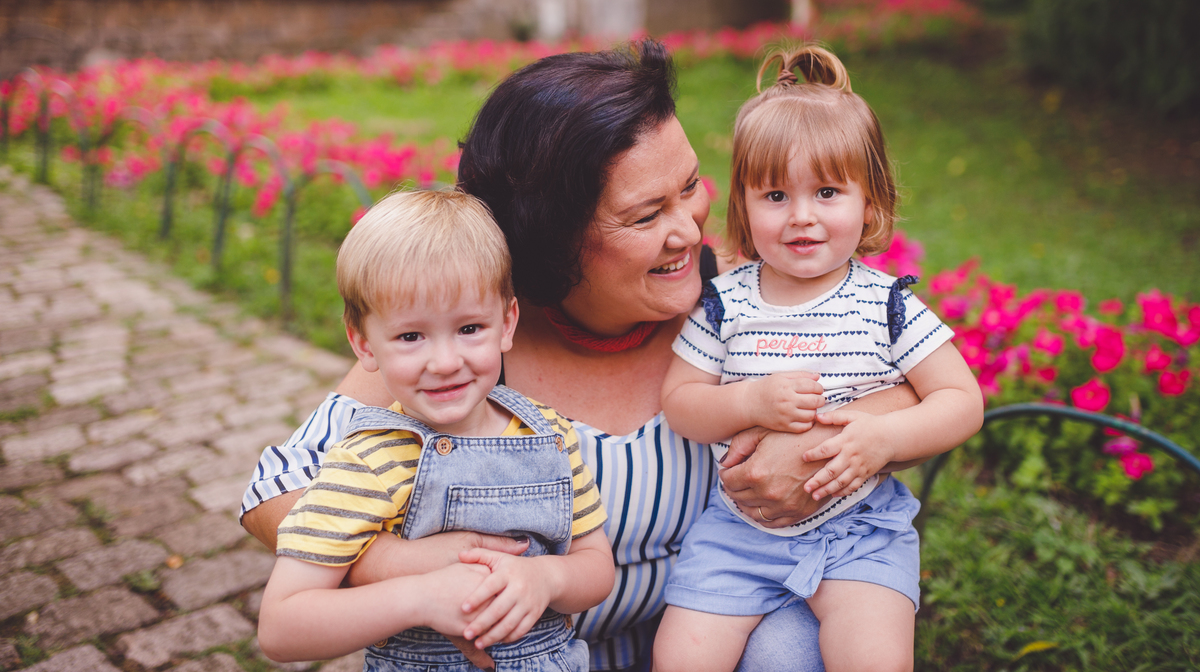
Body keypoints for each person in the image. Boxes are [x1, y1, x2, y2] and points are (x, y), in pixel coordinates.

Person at [242, 39, 922, 672]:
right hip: (527, 656)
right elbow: (275, 489)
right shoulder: (467, 341)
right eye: (645, 215)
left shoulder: (738, 307)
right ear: (553, 238)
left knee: (791, 643)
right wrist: (403, 569)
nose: (689, 229)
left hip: (699, 644)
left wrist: (829, 441)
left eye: (688, 186)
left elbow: (923, 388)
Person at [652, 45, 984, 672]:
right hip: (739, 534)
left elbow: (962, 402)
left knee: (873, 658)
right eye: (775, 195)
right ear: (744, 208)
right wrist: (746, 400)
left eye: (827, 192)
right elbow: (681, 405)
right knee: (681, 657)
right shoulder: (726, 304)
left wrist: (881, 437)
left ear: (872, 205)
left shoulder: (885, 305)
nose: (801, 217)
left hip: (861, 533)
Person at [257, 189, 614, 671]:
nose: (445, 363)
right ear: (363, 343)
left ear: (507, 322)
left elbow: (596, 566)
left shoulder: (548, 434)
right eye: (410, 336)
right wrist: (419, 597)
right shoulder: (370, 461)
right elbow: (282, 626)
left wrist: (548, 579)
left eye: (470, 328)